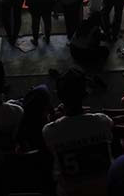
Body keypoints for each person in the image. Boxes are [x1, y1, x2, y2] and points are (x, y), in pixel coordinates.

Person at [42, 68, 114, 196]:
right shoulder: (102, 121)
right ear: (86, 94)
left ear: (58, 96)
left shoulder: (49, 130)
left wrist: (55, 121)